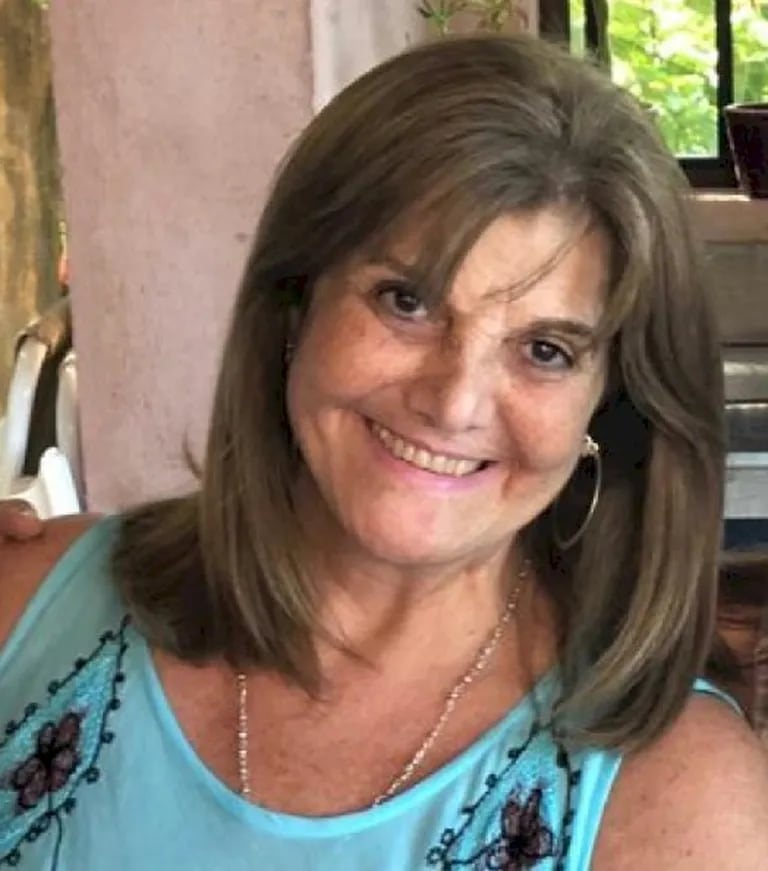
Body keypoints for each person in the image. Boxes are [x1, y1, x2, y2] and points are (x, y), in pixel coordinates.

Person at [1, 33, 767, 871]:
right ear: (295, 308)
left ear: (607, 408)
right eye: (407, 302)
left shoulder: (684, 796)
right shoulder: (29, 599)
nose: (454, 400)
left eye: (545, 350)